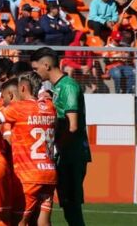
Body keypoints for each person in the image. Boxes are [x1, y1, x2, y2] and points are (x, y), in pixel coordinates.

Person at [0, 72, 57, 226]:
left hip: (28, 175)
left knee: (19, 221)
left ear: (22, 88)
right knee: (43, 220)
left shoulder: (18, 107)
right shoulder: (49, 106)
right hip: (49, 172)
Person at [32, 47, 90, 226]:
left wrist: (56, 148)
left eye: (36, 69)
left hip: (71, 155)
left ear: (46, 65)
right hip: (64, 155)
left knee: (71, 207)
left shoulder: (68, 86)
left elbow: (72, 126)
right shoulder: (57, 88)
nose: (35, 72)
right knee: (66, 204)